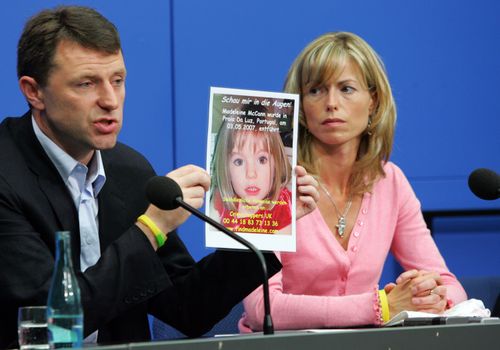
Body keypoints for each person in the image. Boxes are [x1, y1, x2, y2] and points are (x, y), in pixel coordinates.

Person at [0, 6, 320, 348]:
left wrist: (270, 225)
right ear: (34, 92)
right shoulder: (7, 175)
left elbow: (188, 307)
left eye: (118, 80)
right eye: (86, 83)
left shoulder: (128, 170)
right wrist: (150, 229)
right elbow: (45, 323)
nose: (110, 100)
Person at [239, 32, 468, 332]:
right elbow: (261, 309)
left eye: (346, 89)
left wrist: (429, 293)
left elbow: (451, 288)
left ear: (373, 101)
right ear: (301, 106)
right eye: (316, 90)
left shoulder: (390, 182)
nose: (331, 103)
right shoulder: (265, 180)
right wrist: (382, 306)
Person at [209, 104, 293, 234]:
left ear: (277, 163)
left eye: (262, 160)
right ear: (226, 169)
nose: (251, 174)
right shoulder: (220, 200)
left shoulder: (284, 205)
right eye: (239, 161)